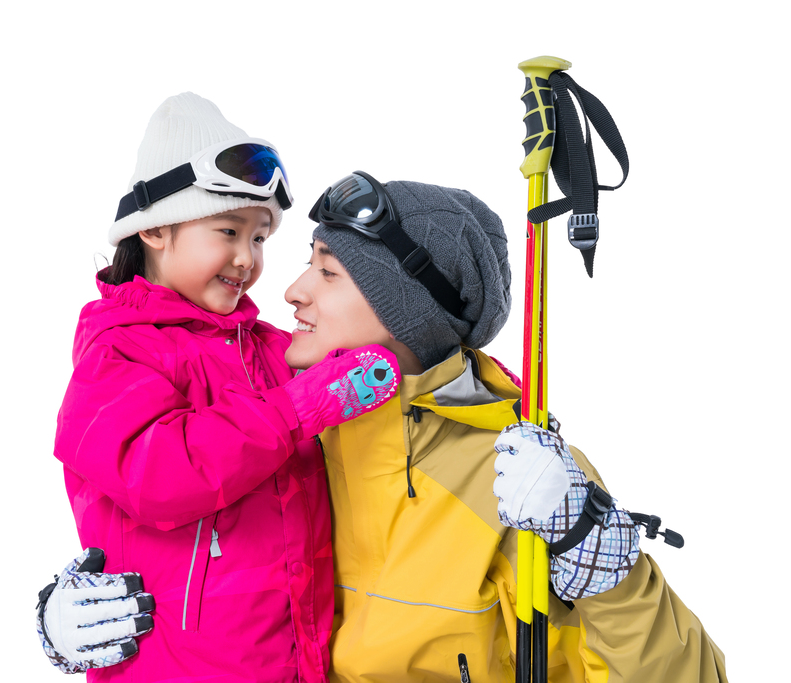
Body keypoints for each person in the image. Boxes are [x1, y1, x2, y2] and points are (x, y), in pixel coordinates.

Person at [40, 169, 727, 681]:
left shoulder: (516, 477)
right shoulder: (297, 421)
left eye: (329, 272)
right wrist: (70, 618)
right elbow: (172, 493)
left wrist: (598, 554)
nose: (289, 290)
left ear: (405, 314)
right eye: (308, 261)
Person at [38, 95, 402, 682]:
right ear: (155, 228)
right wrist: (298, 408)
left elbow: (397, 364)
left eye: (260, 238)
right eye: (228, 231)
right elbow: (159, 475)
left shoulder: (267, 350)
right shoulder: (118, 353)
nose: (246, 259)